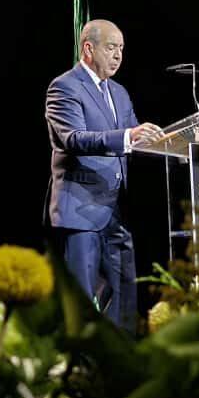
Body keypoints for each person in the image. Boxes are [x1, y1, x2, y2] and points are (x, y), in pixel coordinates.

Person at [43, 19, 161, 335]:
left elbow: (136, 139)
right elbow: (73, 139)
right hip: (80, 211)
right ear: (88, 48)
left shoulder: (120, 93)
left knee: (123, 300)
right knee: (81, 305)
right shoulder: (64, 87)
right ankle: (79, 362)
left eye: (121, 48)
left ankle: (119, 359)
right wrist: (128, 136)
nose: (118, 55)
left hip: (116, 211)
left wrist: (171, 145)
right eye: (111, 47)